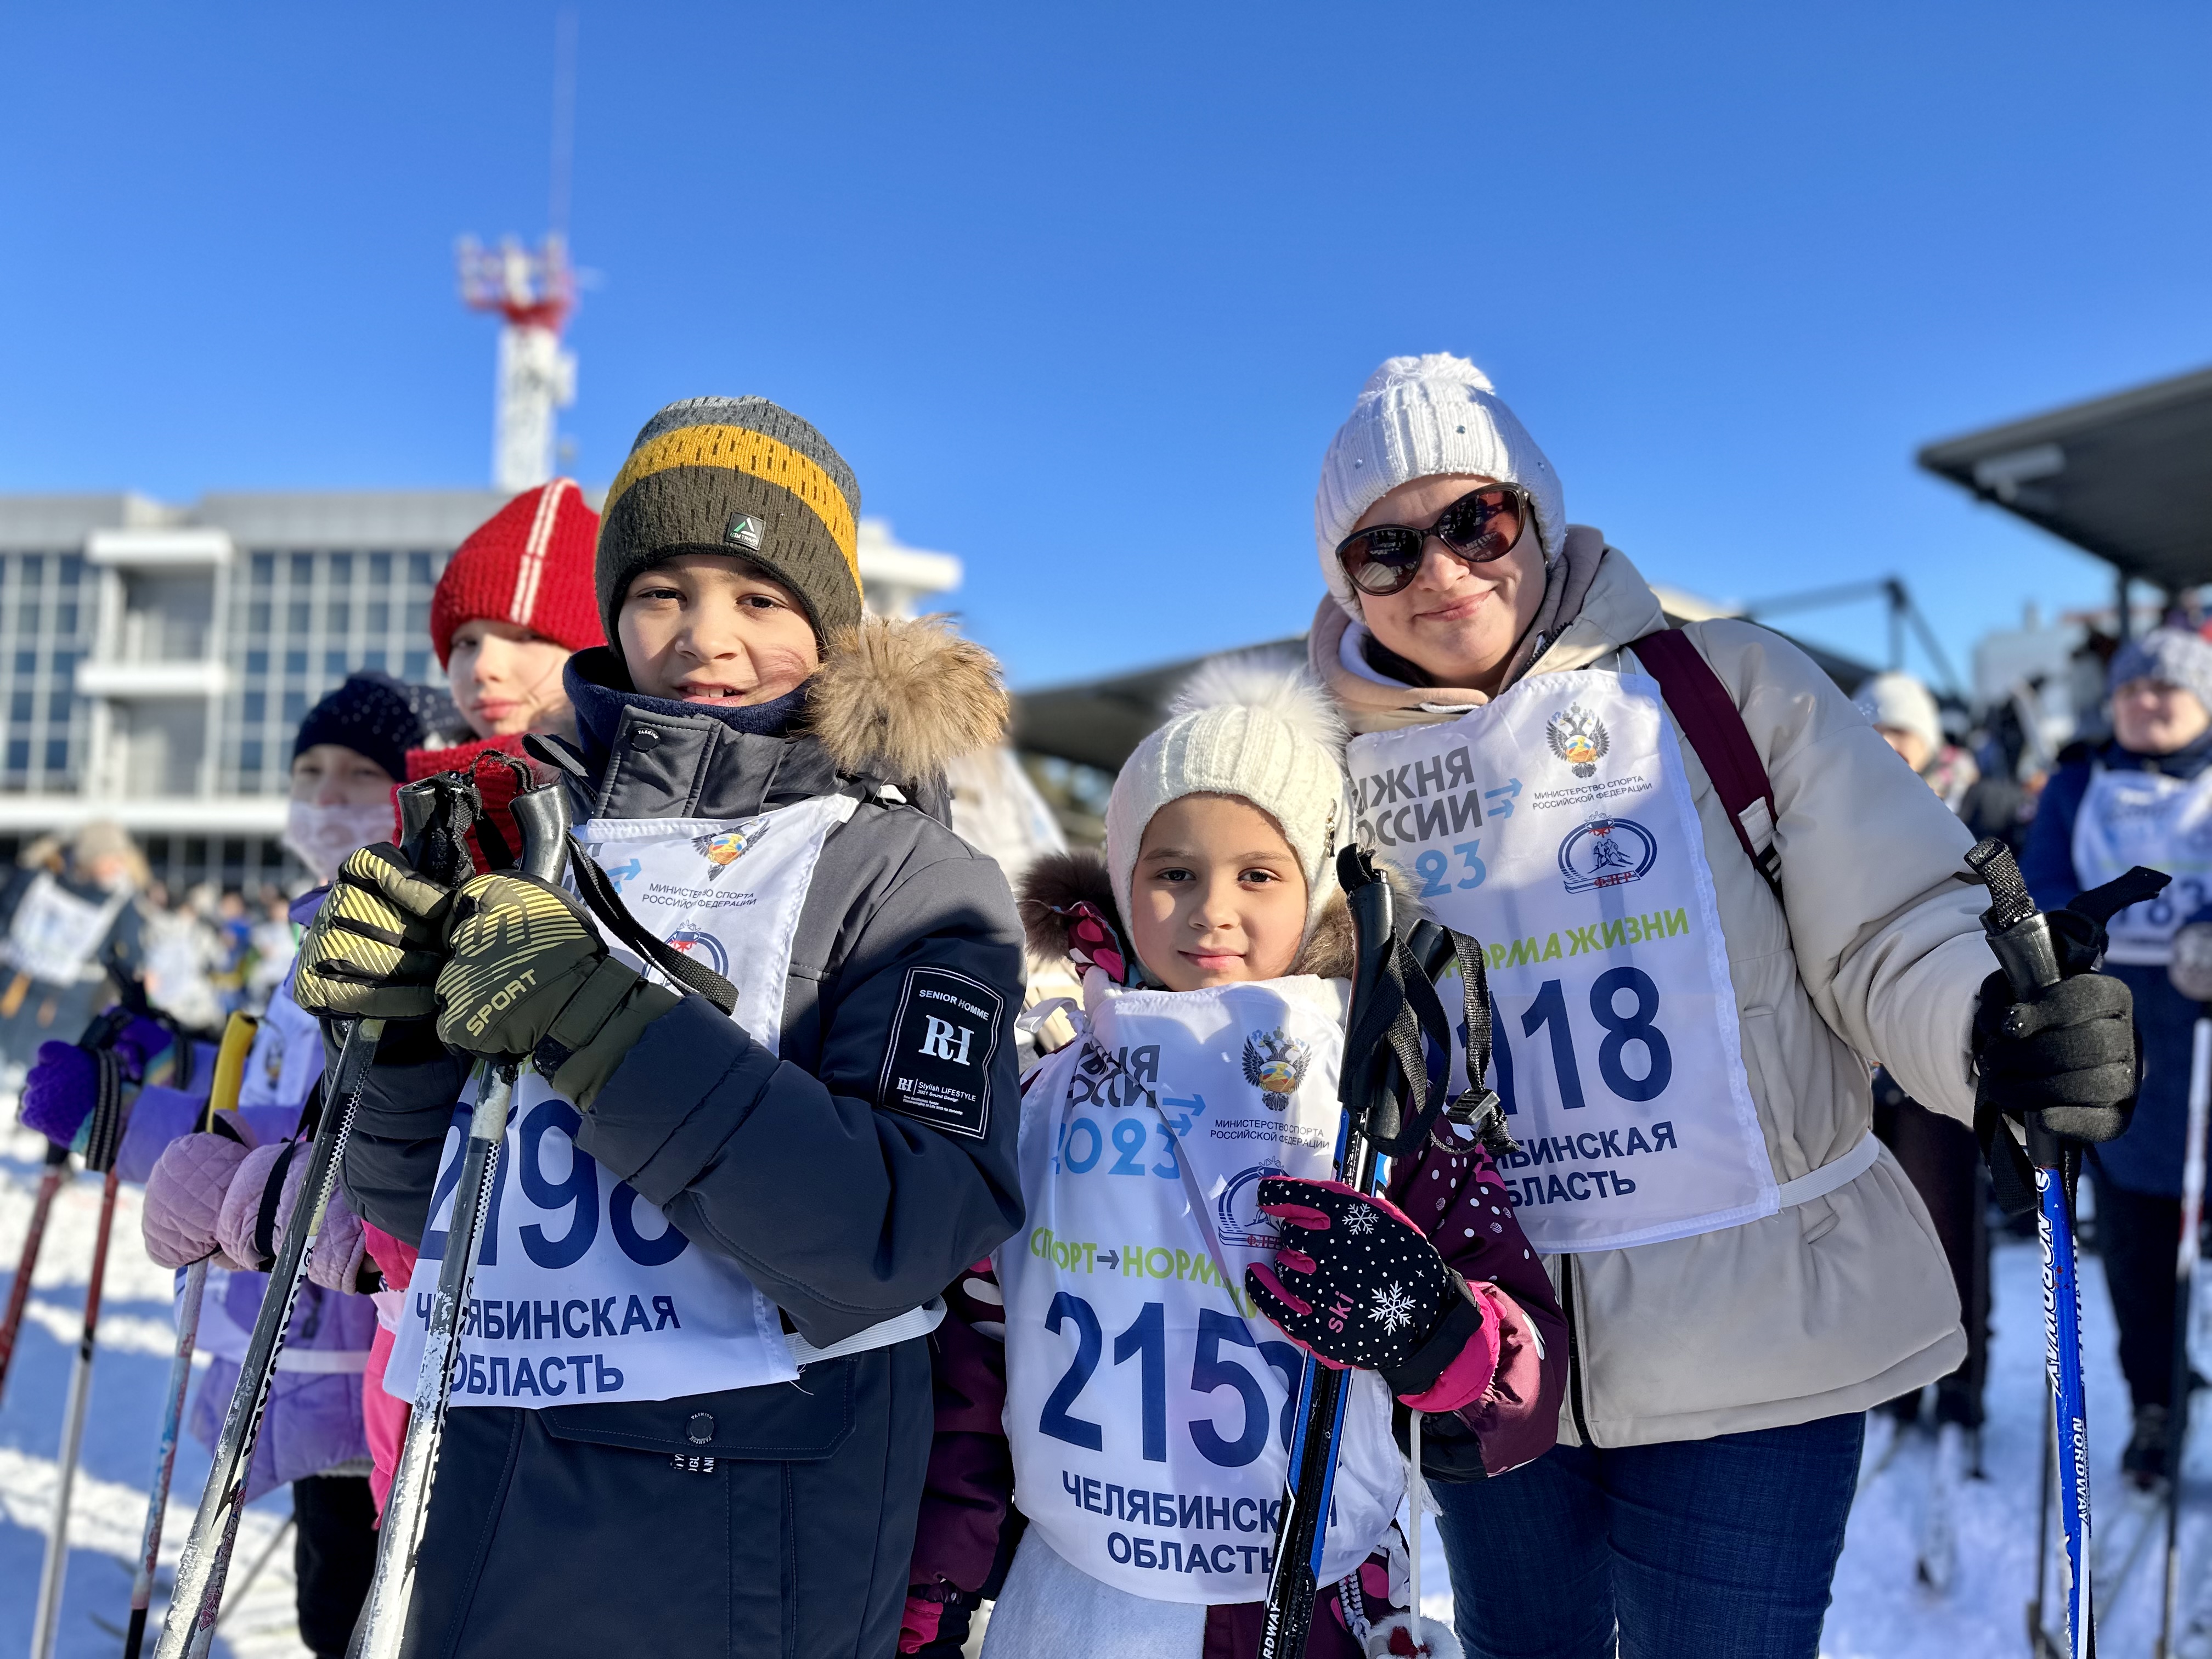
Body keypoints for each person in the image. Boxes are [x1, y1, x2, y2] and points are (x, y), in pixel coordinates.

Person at [1300, 353, 2142, 1658]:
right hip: (1479, 1339)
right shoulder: (1330, 773)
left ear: (1539, 511)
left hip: (1759, 1329)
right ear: (1344, 578)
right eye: (1387, 549)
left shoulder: (1723, 688)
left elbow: (1888, 925)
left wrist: (1990, 1028)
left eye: (1479, 521)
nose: (1443, 570)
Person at [292, 394, 1027, 1656]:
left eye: (759, 597)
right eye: (661, 593)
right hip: (492, 1485)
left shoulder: (906, 873)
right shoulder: (523, 833)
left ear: (833, 625)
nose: (705, 640)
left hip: (747, 1530)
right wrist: (401, 1040)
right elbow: (431, 1218)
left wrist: (612, 1025)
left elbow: (898, 1232)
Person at [902, 661, 1564, 1658]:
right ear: (1121, 882)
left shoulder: (1377, 1092)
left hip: (1316, 1599)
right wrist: (941, 1581)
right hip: (1082, 1600)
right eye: (1173, 872)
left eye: (1258, 873)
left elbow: (1519, 1387)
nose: (1212, 910)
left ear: (1322, 885)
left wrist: (1432, 1327)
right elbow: (977, 1363)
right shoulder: (1043, 1090)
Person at [137, 672, 455, 1658]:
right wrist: (137, 1108)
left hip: (362, 1336)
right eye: (307, 771)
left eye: (356, 775)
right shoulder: (306, 935)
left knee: (366, 1612)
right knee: (336, 1608)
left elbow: (363, 1129)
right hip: (295, 1324)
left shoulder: (407, 938)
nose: (323, 797)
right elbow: (270, 1112)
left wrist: (215, 1166)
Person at [2020, 625, 2212, 1487]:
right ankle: (2155, 1401)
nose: (2146, 701)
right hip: (2118, 1027)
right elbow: (2044, 878)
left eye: (2168, 688)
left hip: (2204, 1020)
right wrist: (2060, 940)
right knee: (2137, 1239)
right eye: (2133, 688)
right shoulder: (2078, 780)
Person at [1853, 673, 1994, 1461]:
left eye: (1898, 733)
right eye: (1870, 731)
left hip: (1942, 1048)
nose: (1883, 747)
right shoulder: (1831, 805)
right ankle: (1899, 1372)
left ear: (1929, 740)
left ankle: (1965, 1372)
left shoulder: (1971, 804)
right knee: (1876, 1225)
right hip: (1858, 1059)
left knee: (1949, 1219)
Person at [408, 475, 605, 853]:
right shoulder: (413, 812)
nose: (483, 668)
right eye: (466, 642)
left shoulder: (630, 812)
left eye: (527, 637)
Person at [0, 819, 148, 1071]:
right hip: (12, 994)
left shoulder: (121, 901)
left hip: (68, 1012)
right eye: (111, 859)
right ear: (90, 858)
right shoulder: (38, 879)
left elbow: (131, 956)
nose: (117, 867)